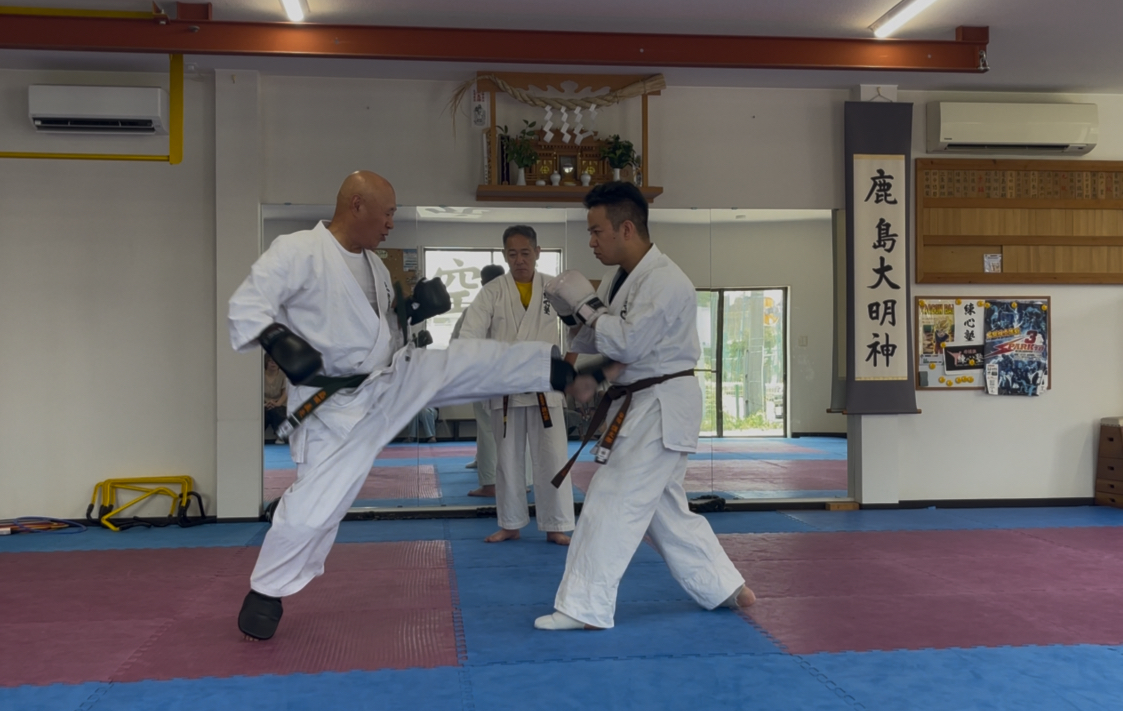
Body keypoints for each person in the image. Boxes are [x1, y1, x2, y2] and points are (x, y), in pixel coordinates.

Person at [227, 170, 589, 641]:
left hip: (385, 380)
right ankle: (265, 592)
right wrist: (276, 337)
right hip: (332, 405)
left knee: (449, 365)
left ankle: (549, 369)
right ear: (357, 205)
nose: (391, 224)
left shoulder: (375, 266)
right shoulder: (298, 251)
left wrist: (410, 315)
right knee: (318, 504)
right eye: (388, 213)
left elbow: (382, 336)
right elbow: (246, 306)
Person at [535, 181, 755, 631]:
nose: (591, 242)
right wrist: (577, 326)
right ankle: (724, 586)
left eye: (597, 231)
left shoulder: (666, 281)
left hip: (660, 405)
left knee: (611, 497)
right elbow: (617, 343)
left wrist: (588, 304)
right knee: (662, 509)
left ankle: (584, 606)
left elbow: (630, 341)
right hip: (641, 400)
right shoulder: (625, 278)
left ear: (627, 228)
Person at [459, 225, 576, 545]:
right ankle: (510, 522)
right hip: (506, 388)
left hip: (545, 387)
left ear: (538, 252)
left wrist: (568, 369)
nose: (520, 260)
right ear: (504, 255)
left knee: (553, 457)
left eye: (525, 252)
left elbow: (580, 329)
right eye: (513, 254)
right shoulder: (492, 292)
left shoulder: (555, 289)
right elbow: (470, 335)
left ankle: (556, 524)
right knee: (507, 460)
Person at [451, 264, 505, 496]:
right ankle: (520, 481)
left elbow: (458, 342)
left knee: (488, 427)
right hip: (511, 373)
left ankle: (491, 484)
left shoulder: (477, 307)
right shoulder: (515, 304)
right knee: (513, 430)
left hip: (485, 375)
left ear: (482, 283)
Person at [263, 354, 288, 444]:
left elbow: (285, 393)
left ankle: (281, 437)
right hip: (263, 403)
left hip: (279, 403)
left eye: (275, 361)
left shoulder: (283, 375)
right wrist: (265, 404)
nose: (273, 363)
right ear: (266, 362)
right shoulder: (259, 374)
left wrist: (277, 403)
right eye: (270, 361)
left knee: (277, 411)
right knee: (262, 413)